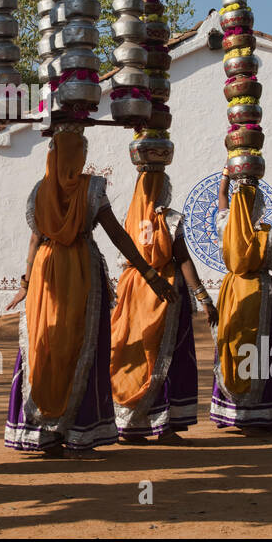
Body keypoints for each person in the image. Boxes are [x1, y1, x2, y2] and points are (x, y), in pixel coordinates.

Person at [5, 127, 175, 456]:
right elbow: (118, 236)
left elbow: (34, 240)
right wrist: (149, 272)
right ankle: (78, 433)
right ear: (79, 156)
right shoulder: (92, 189)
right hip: (80, 271)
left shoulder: (38, 192)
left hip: (46, 273)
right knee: (80, 345)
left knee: (46, 345)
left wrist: (26, 284)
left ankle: (44, 433)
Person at [210, 163, 272, 432]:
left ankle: (239, 413)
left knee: (236, 350)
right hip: (262, 296)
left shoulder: (226, 224)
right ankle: (262, 413)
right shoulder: (265, 234)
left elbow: (222, 199)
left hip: (232, 294)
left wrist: (227, 176)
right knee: (265, 354)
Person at [109, 170, 201, 444]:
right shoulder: (170, 219)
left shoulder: (130, 218)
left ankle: (131, 423)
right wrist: (203, 295)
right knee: (165, 356)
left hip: (133, 289)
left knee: (134, 352)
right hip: (166, 290)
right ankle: (163, 425)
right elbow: (183, 259)